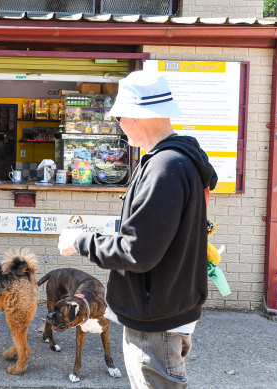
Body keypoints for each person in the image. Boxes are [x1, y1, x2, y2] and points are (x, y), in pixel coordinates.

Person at [58, 71, 217, 388]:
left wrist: (80, 240)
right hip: (171, 306)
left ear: (135, 114)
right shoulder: (181, 160)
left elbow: (137, 251)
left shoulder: (165, 166)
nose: (117, 122)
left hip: (156, 317)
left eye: (118, 115)